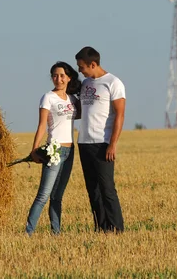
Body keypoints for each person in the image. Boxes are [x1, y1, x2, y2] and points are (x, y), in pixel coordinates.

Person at [25, 61, 81, 235]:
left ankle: (56, 233)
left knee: (57, 197)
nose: (59, 79)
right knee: (43, 195)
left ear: (69, 78)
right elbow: (42, 125)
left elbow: (84, 114)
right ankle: (28, 233)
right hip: (54, 149)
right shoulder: (48, 97)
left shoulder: (73, 99)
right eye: (55, 76)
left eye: (62, 75)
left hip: (69, 150)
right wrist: (34, 150)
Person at [75, 46, 125, 233]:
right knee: (92, 190)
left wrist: (112, 144)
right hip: (84, 142)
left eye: (82, 67)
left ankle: (117, 228)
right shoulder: (86, 83)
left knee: (107, 188)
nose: (80, 70)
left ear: (93, 64)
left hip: (102, 142)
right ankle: (101, 228)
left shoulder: (113, 83)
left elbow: (120, 115)